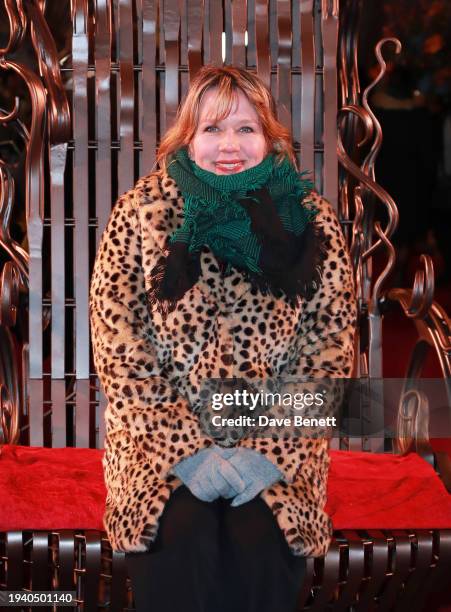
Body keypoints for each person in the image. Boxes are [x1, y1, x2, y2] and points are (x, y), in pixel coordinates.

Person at [89, 65, 357, 612]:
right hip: (158, 452)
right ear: (187, 138)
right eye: (212, 129)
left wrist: (263, 454)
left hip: (280, 457)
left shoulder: (313, 221)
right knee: (180, 541)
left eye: (246, 129)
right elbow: (122, 353)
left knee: (261, 543)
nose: (228, 145)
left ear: (270, 140)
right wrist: (190, 454)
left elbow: (329, 352)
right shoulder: (142, 213)